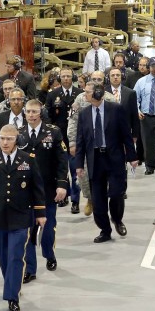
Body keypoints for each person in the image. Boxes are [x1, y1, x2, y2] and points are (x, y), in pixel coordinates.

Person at [0, 124, 46, 311]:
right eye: (2, 138)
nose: (5, 142)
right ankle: (13, 283)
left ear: (17, 140)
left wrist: (40, 213)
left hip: (21, 218)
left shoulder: (28, 160)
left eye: (9, 139)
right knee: (3, 255)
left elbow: (37, 188)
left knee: (16, 256)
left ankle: (12, 297)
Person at [75, 84, 138, 243]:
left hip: (114, 158)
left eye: (88, 92)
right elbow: (80, 141)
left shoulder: (116, 109)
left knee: (117, 193)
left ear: (97, 93)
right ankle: (105, 229)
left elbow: (126, 135)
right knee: (98, 199)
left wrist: (132, 157)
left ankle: (117, 219)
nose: (85, 95)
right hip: (95, 159)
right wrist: (79, 165)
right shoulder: (84, 114)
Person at [19, 100, 68, 279]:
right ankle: (30, 269)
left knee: (48, 226)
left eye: (34, 111)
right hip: (25, 191)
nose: (31, 115)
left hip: (47, 188)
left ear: (41, 113)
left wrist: (62, 184)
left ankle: (49, 254)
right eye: (28, 111)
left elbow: (62, 161)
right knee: (28, 230)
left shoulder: (53, 132)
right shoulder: (19, 134)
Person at [68, 81, 115, 217]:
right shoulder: (80, 99)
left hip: (107, 145)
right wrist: (72, 142)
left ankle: (104, 200)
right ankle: (90, 198)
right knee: (84, 175)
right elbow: (73, 119)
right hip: (87, 143)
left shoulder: (111, 99)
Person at [45, 67, 83, 212]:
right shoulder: (53, 94)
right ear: (59, 78)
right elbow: (47, 115)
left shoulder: (79, 94)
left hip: (75, 137)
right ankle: (64, 195)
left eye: (68, 76)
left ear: (72, 77)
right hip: (58, 137)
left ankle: (75, 200)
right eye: (63, 76)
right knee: (61, 168)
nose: (66, 79)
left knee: (75, 170)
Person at [106, 68, 141, 160]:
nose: (115, 77)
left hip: (125, 130)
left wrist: (134, 135)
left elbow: (134, 114)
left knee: (123, 157)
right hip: (108, 130)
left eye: (118, 75)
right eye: (113, 75)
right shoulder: (104, 92)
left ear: (122, 77)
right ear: (108, 78)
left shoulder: (130, 93)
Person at [0, 87, 26, 152]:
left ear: (23, 101)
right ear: (8, 101)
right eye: (13, 99)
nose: (16, 102)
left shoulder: (30, 119)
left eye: (19, 99)